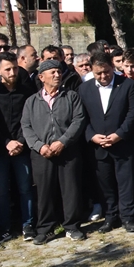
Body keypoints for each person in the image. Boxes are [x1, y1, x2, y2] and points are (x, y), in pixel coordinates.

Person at [21, 60, 87, 244]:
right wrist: (39, 145)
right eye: (52, 72)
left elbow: (78, 120)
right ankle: (46, 228)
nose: (57, 75)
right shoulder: (32, 101)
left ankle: (72, 226)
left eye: (58, 72)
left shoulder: (71, 96)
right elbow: (26, 126)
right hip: (42, 153)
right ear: (41, 77)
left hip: (67, 151)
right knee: (44, 192)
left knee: (71, 189)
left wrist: (62, 142)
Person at [80, 53, 134, 234]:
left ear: (112, 68)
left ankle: (128, 217)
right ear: (92, 70)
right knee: (104, 183)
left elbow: (133, 113)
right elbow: (81, 117)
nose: (103, 76)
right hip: (98, 146)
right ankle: (110, 217)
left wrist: (119, 134)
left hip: (123, 144)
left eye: (106, 72)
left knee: (126, 182)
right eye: (98, 73)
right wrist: (92, 136)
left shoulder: (127, 85)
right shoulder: (84, 89)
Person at [0, 52, 38, 242]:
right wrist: (6, 142)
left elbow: (30, 120)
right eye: (7, 69)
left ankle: (28, 225)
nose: (12, 72)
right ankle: (4, 228)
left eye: (15, 68)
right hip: (0, 149)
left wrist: (20, 141)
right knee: (0, 190)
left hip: (22, 148)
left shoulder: (27, 92)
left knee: (26, 188)